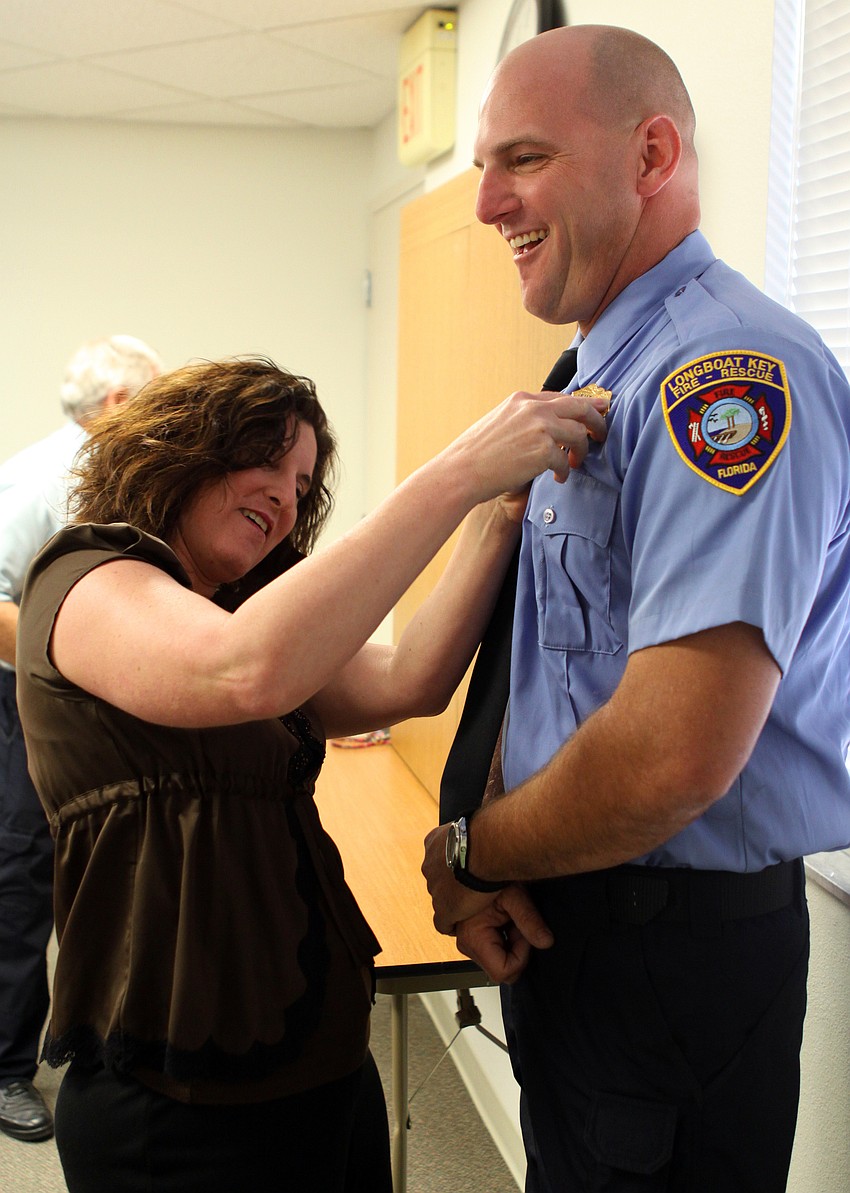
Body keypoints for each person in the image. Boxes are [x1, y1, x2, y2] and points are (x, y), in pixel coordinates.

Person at [422, 24, 850, 1193]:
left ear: (651, 154)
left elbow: (669, 757)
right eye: (482, 169)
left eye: (523, 159)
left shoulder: (725, 377)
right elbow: (563, 671)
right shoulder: (596, 375)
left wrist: (471, 847)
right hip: (589, 918)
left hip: (670, 945)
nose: (487, 203)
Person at [14, 355, 606, 1192]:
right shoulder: (84, 577)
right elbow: (240, 670)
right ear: (180, 449)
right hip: (173, 1093)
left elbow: (410, 679)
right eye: (265, 459)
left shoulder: (238, 613)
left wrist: (496, 510)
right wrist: (458, 468)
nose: (287, 496)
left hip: (317, 1061)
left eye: (301, 481)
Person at [0, 334, 163, 1143]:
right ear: (120, 405)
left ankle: (94, 1033)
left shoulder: (104, 472)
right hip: (27, 704)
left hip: (87, 699)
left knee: (92, 869)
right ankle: (4, 1069)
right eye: (158, 399)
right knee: (25, 877)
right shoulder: (53, 475)